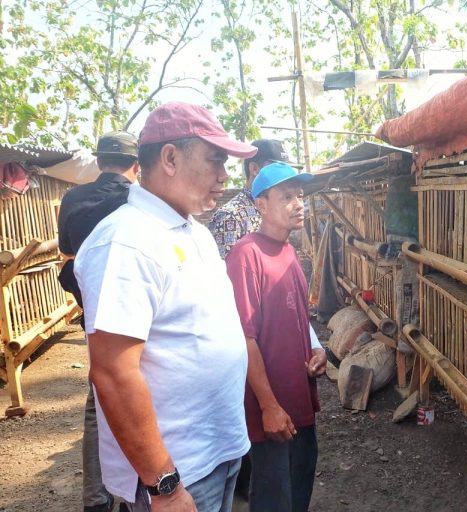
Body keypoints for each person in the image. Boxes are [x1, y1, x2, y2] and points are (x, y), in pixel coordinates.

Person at [74, 102, 257, 512]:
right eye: (215, 160)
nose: (224, 176)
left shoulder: (192, 230)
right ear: (170, 158)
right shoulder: (125, 242)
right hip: (180, 472)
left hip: (218, 452)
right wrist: (166, 486)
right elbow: (114, 374)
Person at [225, 162, 327, 512]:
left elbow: (298, 316)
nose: (298, 204)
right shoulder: (246, 254)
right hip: (271, 407)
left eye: (300, 195)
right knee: (273, 496)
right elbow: (244, 336)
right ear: (261, 204)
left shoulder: (289, 251)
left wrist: (316, 348)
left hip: (299, 398)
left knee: (299, 488)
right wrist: (268, 406)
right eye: (286, 197)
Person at [57, 131, 140, 512]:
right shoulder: (134, 201)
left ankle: (96, 499)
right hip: (134, 318)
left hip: (95, 318)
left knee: (99, 405)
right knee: (137, 400)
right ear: (137, 165)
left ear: (99, 161)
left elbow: (69, 258)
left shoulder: (72, 198)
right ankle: (133, 493)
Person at [208, 139, 294, 258]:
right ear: (254, 169)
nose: (285, 176)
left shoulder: (278, 210)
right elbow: (224, 271)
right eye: (276, 170)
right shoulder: (230, 217)